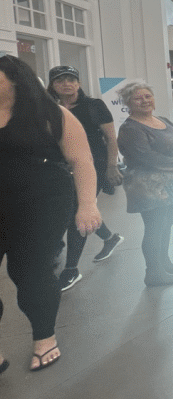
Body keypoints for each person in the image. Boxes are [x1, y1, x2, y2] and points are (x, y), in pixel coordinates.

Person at [0, 55, 102, 372]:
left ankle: (44, 337)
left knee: (29, 272)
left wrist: (88, 204)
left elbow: (82, 160)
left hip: (40, 203)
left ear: (14, 79)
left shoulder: (49, 114)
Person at [47, 66, 124, 291]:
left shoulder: (94, 106)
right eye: (60, 80)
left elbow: (111, 138)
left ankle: (71, 269)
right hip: (61, 167)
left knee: (75, 214)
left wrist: (112, 166)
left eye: (71, 79)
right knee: (72, 210)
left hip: (93, 166)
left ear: (79, 83)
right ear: (52, 85)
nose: (67, 84)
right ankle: (109, 237)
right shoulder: (49, 109)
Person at [117, 81, 173, 287]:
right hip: (148, 187)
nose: (144, 101)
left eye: (147, 96)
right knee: (154, 227)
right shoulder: (131, 128)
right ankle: (153, 272)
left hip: (171, 184)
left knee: (166, 224)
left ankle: (164, 263)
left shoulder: (161, 120)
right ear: (128, 103)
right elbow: (147, 158)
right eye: (138, 98)